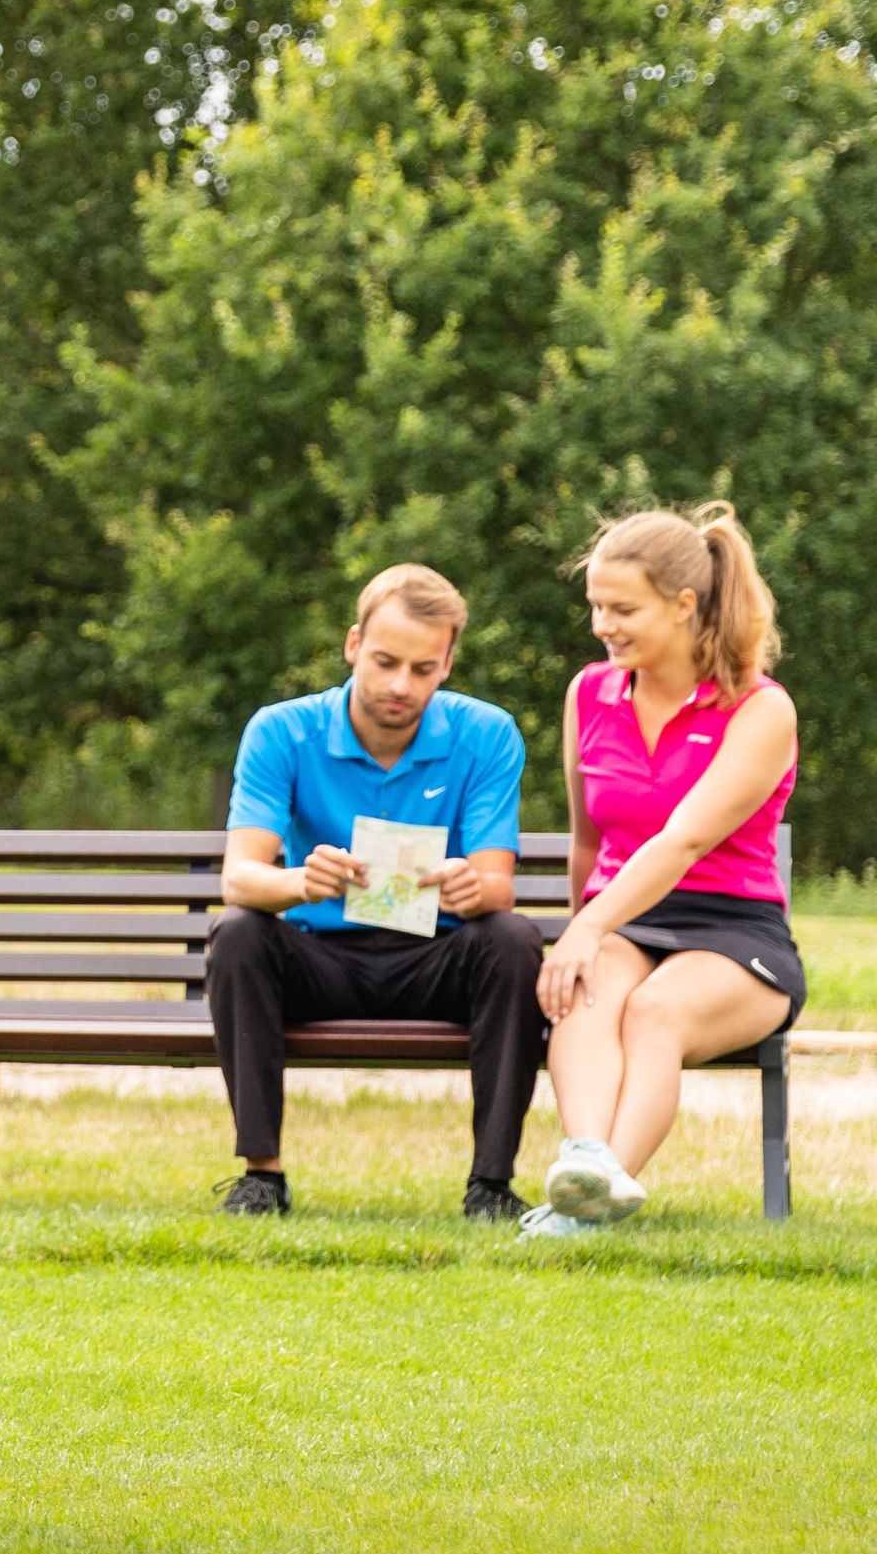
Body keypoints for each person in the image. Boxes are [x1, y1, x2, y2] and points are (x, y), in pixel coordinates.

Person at [205, 565, 543, 1221]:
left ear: (448, 663)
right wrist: (300, 882)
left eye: (423, 668)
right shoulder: (281, 730)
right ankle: (261, 1178)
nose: (400, 685)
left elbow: (497, 885)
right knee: (239, 931)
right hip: (318, 959)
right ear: (353, 644)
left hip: (435, 961)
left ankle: (491, 1188)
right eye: (386, 661)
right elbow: (240, 878)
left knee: (512, 940)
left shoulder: (487, 733)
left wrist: (473, 887)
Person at [524, 506, 799, 1238]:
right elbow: (589, 839)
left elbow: (683, 843)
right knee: (583, 993)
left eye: (622, 609)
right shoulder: (590, 693)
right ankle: (586, 1166)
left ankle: (586, 1211)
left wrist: (587, 926)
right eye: (594, 607)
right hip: (627, 918)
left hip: (734, 930)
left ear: (683, 606)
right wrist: (583, 935)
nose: (601, 626)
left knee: (654, 1011)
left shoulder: (759, 709)